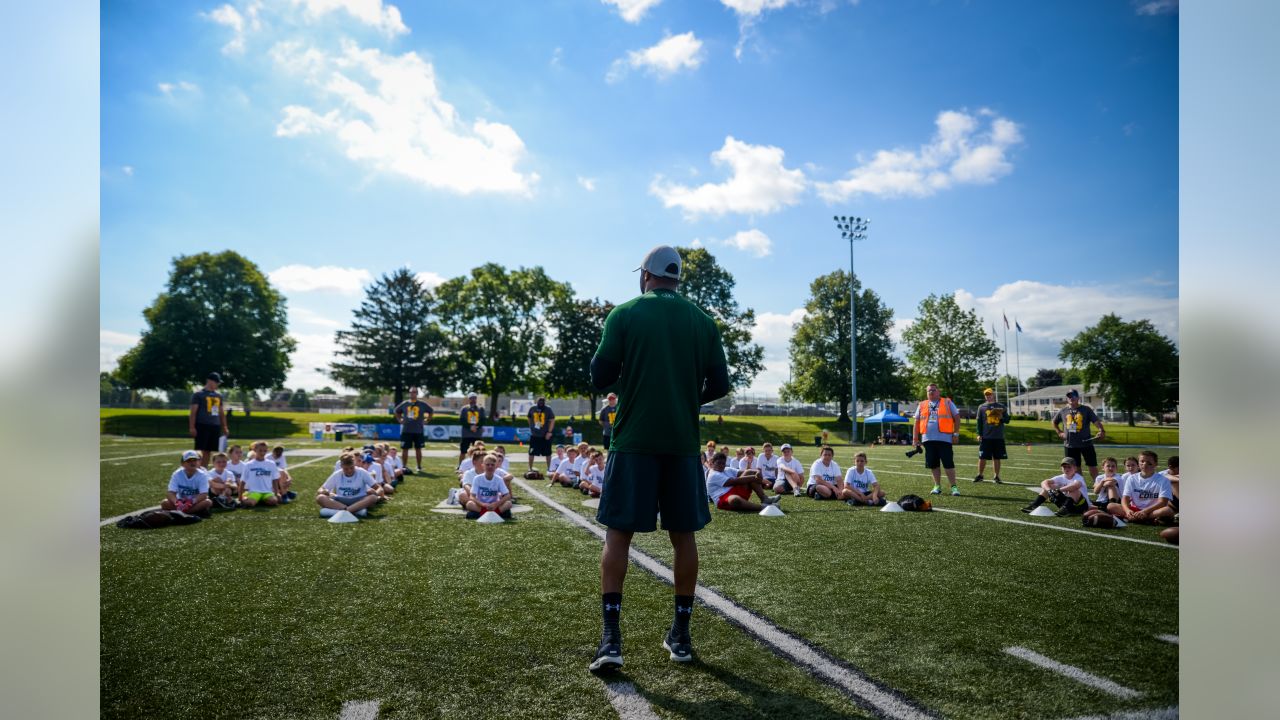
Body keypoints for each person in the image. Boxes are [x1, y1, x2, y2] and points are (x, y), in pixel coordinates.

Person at [587, 245, 729, 671]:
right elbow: (720, 383)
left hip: (633, 442)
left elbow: (600, 375)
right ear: (677, 278)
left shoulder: (625, 313)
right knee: (684, 537)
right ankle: (681, 635)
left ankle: (611, 639)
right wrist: (686, 396)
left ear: (645, 275)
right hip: (682, 444)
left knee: (618, 536)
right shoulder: (703, 322)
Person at [911, 383, 962, 497]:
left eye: (933, 390)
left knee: (948, 464)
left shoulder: (947, 402)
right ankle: (937, 486)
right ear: (927, 393)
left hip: (945, 439)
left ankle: (954, 487)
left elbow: (957, 417)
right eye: (929, 391)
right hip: (928, 439)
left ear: (938, 391)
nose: (931, 392)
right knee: (933, 464)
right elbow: (917, 422)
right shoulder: (922, 404)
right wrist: (915, 438)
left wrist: (956, 433)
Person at [1108, 450, 1176, 525]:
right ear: (1138, 463)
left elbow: (1163, 502)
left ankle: (1135, 518)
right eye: (1142, 461)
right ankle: (1146, 519)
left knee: (1167, 510)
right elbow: (1125, 498)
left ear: (1155, 464)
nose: (1145, 464)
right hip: (1135, 510)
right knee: (1111, 506)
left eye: (1149, 463)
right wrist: (1127, 510)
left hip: (1152, 510)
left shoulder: (1163, 480)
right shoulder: (1132, 478)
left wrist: (1145, 511)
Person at [1052, 388, 1106, 480]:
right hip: (1070, 445)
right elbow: (1054, 422)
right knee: (1075, 468)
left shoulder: (1086, 409)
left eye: (1073, 396)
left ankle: (1098, 485)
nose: (1071, 398)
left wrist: (1101, 430)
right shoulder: (1063, 411)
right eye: (1069, 396)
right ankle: (1080, 487)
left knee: (1092, 466)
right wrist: (1059, 432)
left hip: (1086, 443)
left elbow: (1096, 421)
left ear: (1078, 398)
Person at [705, 452, 780, 512]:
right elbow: (734, 481)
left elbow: (744, 472)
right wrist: (755, 478)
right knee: (735, 500)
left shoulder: (726, 469)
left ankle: (764, 499)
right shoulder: (713, 474)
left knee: (750, 473)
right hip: (722, 499)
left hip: (734, 491)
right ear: (713, 462)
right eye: (719, 463)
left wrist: (757, 472)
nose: (721, 465)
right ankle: (764, 507)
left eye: (723, 463)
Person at [1022, 457, 1091, 516]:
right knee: (1049, 487)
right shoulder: (1061, 477)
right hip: (1067, 504)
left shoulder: (1078, 477)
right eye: (1064, 467)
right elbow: (1044, 482)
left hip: (1081, 506)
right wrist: (1049, 490)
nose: (1066, 469)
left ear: (1075, 468)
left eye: (1069, 467)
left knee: (1074, 490)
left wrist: (1059, 490)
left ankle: (1065, 509)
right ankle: (1034, 505)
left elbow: (1075, 485)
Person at [188, 372, 230, 468]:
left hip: (214, 426)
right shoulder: (198, 395)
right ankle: (196, 469)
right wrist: (192, 427)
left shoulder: (218, 396)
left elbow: (221, 412)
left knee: (208, 451)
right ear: (209, 381)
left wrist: (224, 427)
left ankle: (204, 470)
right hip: (202, 425)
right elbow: (193, 412)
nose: (218, 384)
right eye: (216, 382)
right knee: (200, 450)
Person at [161, 450, 213, 517]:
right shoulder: (177, 474)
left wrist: (191, 502)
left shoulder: (202, 475)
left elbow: (204, 494)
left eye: (194, 460)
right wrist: (177, 503)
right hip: (180, 502)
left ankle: (181, 513)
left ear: (198, 462)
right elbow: (171, 492)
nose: (192, 462)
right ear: (182, 464)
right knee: (164, 503)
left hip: (195, 503)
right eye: (189, 461)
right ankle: (190, 512)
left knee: (208, 502)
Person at [394, 387, 434, 473]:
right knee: (405, 448)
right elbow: (396, 411)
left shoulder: (422, 404)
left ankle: (419, 466)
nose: (412, 394)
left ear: (417, 393)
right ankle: (404, 466)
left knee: (418, 449)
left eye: (414, 392)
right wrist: (400, 420)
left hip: (418, 430)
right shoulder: (405, 403)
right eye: (411, 392)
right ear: (409, 393)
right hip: (406, 430)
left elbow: (431, 411)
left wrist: (427, 420)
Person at [973, 388, 1008, 484]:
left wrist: (1002, 418)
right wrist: (979, 434)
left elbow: (1007, 420)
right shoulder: (981, 407)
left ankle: (996, 476)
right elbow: (979, 422)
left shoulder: (1001, 406)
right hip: (986, 437)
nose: (988, 396)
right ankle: (980, 475)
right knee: (982, 457)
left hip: (998, 436)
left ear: (994, 395)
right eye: (986, 395)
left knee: (996, 457)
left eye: (990, 394)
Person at [465, 453, 513, 521]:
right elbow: (472, 496)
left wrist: (496, 504)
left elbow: (507, 495)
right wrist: (483, 504)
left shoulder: (499, 479)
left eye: (492, 465)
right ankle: (495, 513)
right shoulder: (477, 478)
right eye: (487, 465)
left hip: (495, 505)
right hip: (481, 506)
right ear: (483, 466)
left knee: (509, 503)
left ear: (496, 466)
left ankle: (485, 513)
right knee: (469, 504)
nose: (490, 467)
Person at [239, 441, 281, 508]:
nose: (262, 453)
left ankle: (260, 500)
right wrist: (240, 497)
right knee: (249, 504)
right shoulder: (249, 464)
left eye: (265, 450)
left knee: (274, 501)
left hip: (267, 492)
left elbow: (275, 480)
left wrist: (276, 493)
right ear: (255, 450)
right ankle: (247, 496)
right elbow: (242, 481)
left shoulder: (271, 464)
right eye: (260, 450)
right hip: (254, 492)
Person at [527, 398, 557, 473]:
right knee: (531, 452)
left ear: (544, 402)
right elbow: (529, 417)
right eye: (539, 402)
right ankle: (530, 468)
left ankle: (549, 468)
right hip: (535, 435)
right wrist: (531, 427)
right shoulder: (533, 408)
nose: (540, 403)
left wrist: (549, 432)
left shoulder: (548, 409)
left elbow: (552, 420)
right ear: (536, 402)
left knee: (548, 453)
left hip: (545, 434)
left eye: (542, 402)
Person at [458, 394, 486, 464]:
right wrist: (470, 427)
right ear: (469, 399)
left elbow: (483, 420)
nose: (473, 400)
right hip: (466, 434)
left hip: (477, 434)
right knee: (463, 451)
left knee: (479, 451)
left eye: (474, 398)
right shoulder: (464, 409)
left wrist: (477, 426)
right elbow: (462, 420)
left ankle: (479, 465)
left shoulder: (480, 409)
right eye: (471, 398)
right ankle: (460, 466)